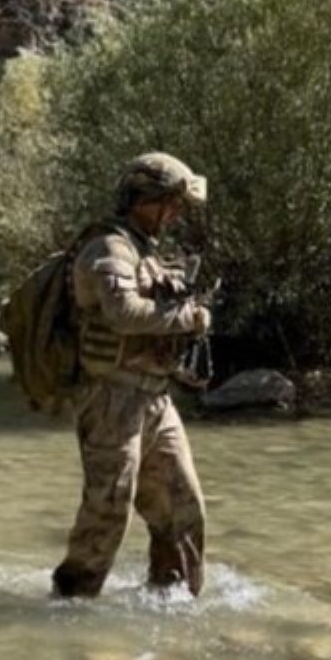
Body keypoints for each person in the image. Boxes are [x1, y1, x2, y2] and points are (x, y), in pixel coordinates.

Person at [52, 153, 213, 599]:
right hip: (109, 401)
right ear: (144, 199)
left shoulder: (147, 252)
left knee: (184, 508)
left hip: (155, 400)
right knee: (107, 514)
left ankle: (175, 601)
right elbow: (124, 314)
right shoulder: (106, 250)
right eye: (169, 202)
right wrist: (189, 318)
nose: (175, 213)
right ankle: (70, 605)